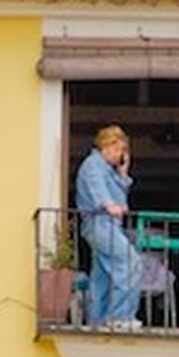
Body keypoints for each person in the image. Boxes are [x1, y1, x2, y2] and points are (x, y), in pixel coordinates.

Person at [75, 125, 141, 328]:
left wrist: (123, 175)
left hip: (106, 224)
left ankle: (97, 320)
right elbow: (99, 190)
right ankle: (120, 317)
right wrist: (108, 204)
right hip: (100, 223)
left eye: (122, 151)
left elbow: (122, 202)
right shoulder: (94, 165)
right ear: (105, 146)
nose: (119, 154)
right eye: (117, 149)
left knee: (102, 274)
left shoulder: (108, 170)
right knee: (131, 263)